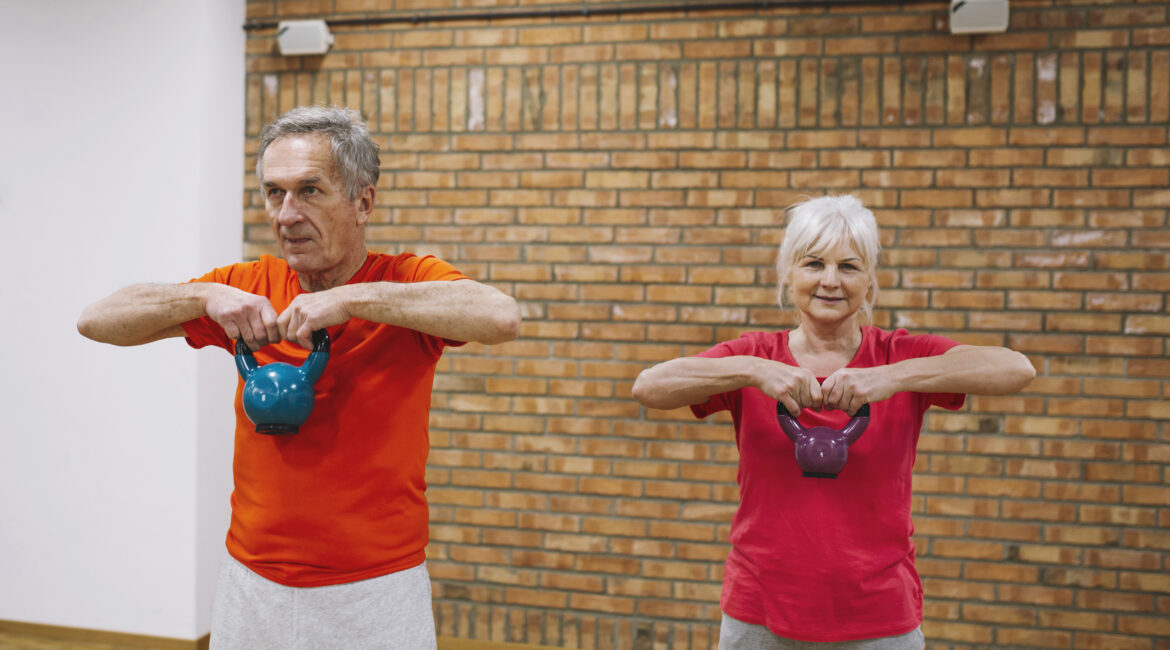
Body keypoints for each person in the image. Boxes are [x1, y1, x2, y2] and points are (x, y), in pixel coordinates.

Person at [77, 106, 521, 649]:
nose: (286, 214)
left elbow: (500, 316)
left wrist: (352, 298)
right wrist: (202, 295)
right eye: (273, 193)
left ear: (363, 202)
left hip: (375, 590)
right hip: (251, 582)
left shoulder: (403, 283)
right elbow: (96, 320)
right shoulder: (247, 288)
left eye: (309, 191)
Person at [631, 195, 1035, 650]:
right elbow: (650, 386)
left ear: (869, 280)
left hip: (878, 618)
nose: (830, 281)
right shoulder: (754, 356)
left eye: (848, 266)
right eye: (813, 263)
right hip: (759, 616)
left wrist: (891, 377)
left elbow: (1016, 368)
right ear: (788, 273)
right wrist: (753, 370)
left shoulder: (897, 355)